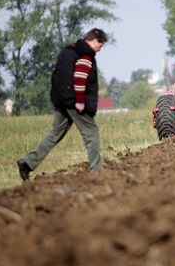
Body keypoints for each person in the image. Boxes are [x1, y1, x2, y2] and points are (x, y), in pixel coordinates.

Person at [16, 28, 108, 181]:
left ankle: (27, 163)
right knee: (91, 133)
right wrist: (79, 102)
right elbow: (79, 79)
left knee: (55, 133)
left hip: (61, 99)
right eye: (101, 44)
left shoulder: (69, 50)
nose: (101, 48)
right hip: (74, 102)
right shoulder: (85, 55)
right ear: (94, 40)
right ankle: (96, 170)